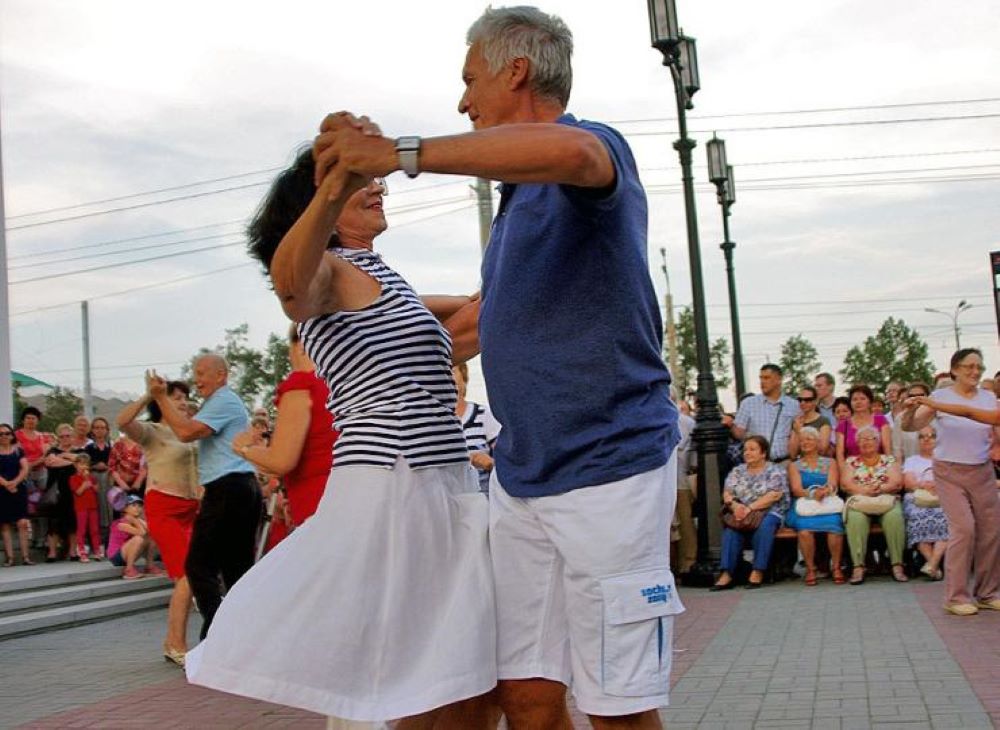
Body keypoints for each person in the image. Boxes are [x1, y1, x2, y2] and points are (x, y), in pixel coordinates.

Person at [312, 7, 686, 725]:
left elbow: (573, 156)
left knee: (617, 705)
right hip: (521, 478)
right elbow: (482, 322)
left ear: (514, 70)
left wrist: (402, 152)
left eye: (469, 80)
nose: (462, 102)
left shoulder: (591, 148)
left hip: (608, 470)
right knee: (524, 695)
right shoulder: (516, 207)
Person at [185, 147, 495, 729]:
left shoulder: (380, 275)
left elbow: (454, 336)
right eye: (362, 182)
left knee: (450, 676)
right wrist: (331, 189)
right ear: (321, 205)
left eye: (374, 178)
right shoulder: (324, 271)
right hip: (395, 485)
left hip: (435, 480)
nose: (380, 187)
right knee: (418, 674)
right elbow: (291, 285)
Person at [148, 355, 260, 640]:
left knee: (198, 565)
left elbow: (185, 432)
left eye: (201, 374)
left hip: (229, 489)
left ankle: (218, 632)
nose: (197, 380)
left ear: (221, 375)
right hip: (236, 489)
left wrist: (160, 398)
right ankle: (239, 634)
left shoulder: (224, 400)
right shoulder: (218, 403)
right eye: (195, 373)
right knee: (235, 570)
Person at [903, 348, 1000, 615]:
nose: (975, 372)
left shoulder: (988, 397)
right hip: (948, 471)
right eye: (969, 366)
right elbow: (910, 426)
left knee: (990, 531)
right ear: (955, 369)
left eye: (979, 367)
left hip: (981, 471)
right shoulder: (939, 396)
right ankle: (956, 597)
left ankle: (987, 592)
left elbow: (988, 422)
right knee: (965, 529)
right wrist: (911, 411)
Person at [117, 378, 200, 666]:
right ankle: (175, 644)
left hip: (193, 509)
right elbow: (123, 421)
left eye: (184, 397)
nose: (181, 402)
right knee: (187, 576)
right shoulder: (152, 431)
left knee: (196, 577)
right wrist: (148, 395)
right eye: (174, 397)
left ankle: (176, 641)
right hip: (164, 507)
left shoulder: (190, 432)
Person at [231, 325, 336, 527]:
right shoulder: (337, 386)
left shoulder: (302, 386)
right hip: (347, 493)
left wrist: (244, 448)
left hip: (316, 501)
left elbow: (282, 462)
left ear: (301, 347)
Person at [711, 435, 789, 591]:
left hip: (769, 511)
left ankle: (758, 570)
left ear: (763, 453)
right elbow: (727, 493)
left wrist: (749, 508)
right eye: (745, 449)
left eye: (752, 449)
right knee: (731, 530)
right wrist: (735, 506)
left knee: (765, 526)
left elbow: (774, 495)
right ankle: (727, 573)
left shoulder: (775, 470)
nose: (747, 453)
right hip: (742, 511)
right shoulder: (737, 471)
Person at [841, 426, 906, 585]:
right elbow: (845, 484)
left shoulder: (888, 460)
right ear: (857, 443)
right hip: (860, 500)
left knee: (895, 517)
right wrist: (864, 490)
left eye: (871, 438)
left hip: (886, 498)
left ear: (878, 442)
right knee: (855, 518)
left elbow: (897, 482)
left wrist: (879, 489)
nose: (867, 442)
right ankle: (858, 567)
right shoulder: (851, 462)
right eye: (863, 439)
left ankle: (897, 565)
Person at [785, 427, 844, 585]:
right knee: (804, 530)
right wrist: (812, 494)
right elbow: (796, 489)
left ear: (818, 443)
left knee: (834, 525)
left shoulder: (830, 462)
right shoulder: (794, 466)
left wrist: (825, 491)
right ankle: (811, 569)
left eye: (809, 439)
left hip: (827, 502)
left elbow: (833, 483)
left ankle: (836, 567)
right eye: (802, 440)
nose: (805, 442)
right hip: (803, 504)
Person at [901, 427, 949, 581]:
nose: (927, 439)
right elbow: (908, 482)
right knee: (917, 517)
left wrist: (938, 485)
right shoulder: (911, 460)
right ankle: (934, 564)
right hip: (918, 497)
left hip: (942, 497)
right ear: (918, 441)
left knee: (948, 517)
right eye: (922, 436)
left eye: (931, 436)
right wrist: (923, 485)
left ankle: (932, 565)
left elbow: (953, 481)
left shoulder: (946, 459)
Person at [733, 364, 799, 463]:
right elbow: (738, 433)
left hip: (784, 462)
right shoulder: (748, 403)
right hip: (757, 464)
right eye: (761, 378)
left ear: (779, 380)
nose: (762, 382)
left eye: (767, 378)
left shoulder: (793, 405)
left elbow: (797, 432)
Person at [452, 362, 500, 494]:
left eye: (452, 370)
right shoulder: (433, 421)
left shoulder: (485, 415)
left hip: (482, 504)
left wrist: (489, 463)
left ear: (463, 375)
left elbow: (509, 465)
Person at [42, 424, 84, 561]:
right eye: (62, 436)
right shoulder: (52, 450)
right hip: (55, 489)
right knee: (53, 521)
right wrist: (71, 462)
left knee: (72, 521)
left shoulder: (79, 450)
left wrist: (66, 458)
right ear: (58, 437)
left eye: (68, 436)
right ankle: (52, 552)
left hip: (72, 490)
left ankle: (73, 551)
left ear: (72, 437)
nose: (65, 438)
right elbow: (50, 462)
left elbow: (82, 463)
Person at [15, 406, 49, 544]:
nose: (30, 420)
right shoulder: (17, 435)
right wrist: (37, 461)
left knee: (42, 504)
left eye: (33, 418)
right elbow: (18, 455)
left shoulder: (42, 436)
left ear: (37, 420)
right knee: (28, 505)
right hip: (24, 474)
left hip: (41, 473)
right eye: (28, 417)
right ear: (23, 420)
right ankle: (30, 537)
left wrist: (37, 462)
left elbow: (47, 453)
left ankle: (41, 537)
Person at [0, 424, 31, 566]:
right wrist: (6, 484)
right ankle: (10, 558)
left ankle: (26, 557)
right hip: (2, 490)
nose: (4, 436)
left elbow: (25, 468)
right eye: (1, 434)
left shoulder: (18, 451)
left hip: (18, 490)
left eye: (7, 433)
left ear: (12, 435)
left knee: (22, 523)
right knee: (5, 525)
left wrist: (15, 482)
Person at [836, 384, 892, 463]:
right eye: (854, 399)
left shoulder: (881, 420)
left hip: (879, 468)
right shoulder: (843, 425)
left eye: (862, 399)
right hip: (851, 469)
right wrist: (844, 472)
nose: (858, 402)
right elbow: (840, 454)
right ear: (850, 403)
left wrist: (891, 468)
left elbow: (888, 450)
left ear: (870, 401)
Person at [107, 495, 155, 579]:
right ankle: (128, 570)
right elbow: (142, 532)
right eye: (133, 505)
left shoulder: (136, 520)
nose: (137, 508)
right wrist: (135, 520)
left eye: (139, 506)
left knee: (150, 537)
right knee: (138, 539)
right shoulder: (121, 524)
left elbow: (151, 531)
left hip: (127, 553)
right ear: (125, 509)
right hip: (116, 557)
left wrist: (139, 520)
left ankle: (149, 567)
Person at [69, 454, 103, 562]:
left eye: (86, 464)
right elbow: (78, 492)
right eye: (81, 464)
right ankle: (82, 552)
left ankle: (97, 551)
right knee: (82, 529)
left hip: (93, 506)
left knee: (94, 529)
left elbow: (97, 490)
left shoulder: (92, 478)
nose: (84, 467)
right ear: (76, 465)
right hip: (81, 507)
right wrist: (84, 484)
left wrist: (91, 482)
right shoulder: (73, 478)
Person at [85, 417, 114, 542]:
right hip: (94, 481)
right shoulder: (88, 448)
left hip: (109, 480)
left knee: (109, 506)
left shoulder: (112, 446)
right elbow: (84, 464)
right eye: (97, 428)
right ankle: (97, 540)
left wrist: (107, 467)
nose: (100, 430)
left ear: (107, 430)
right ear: (92, 430)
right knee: (96, 507)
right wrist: (94, 466)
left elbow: (117, 463)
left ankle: (110, 538)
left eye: (102, 428)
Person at [788, 385, 831, 459]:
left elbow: (822, 450)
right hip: (799, 464)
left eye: (807, 400)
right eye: (800, 400)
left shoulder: (823, 421)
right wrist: (796, 431)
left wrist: (800, 432)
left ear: (816, 401)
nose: (803, 403)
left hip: (818, 465)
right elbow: (792, 454)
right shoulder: (796, 421)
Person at [892, 383, 929, 463]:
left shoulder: (937, 417)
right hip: (910, 468)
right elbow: (897, 449)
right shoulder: (900, 419)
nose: (916, 398)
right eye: (912, 396)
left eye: (921, 395)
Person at [109, 433, 146, 497]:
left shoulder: (142, 445)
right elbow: (112, 466)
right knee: (121, 506)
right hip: (120, 485)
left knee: (138, 505)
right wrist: (121, 483)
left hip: (139, 485)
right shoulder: (118, 444)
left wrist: (138, 482)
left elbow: (146, 465)